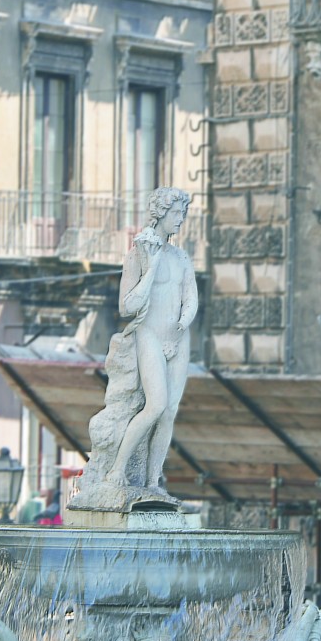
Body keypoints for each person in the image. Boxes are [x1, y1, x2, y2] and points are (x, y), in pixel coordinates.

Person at [105, 187, 198, 490]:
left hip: (179, 338)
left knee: (170, 411)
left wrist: (182, 324)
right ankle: (117, 469)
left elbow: (191, 299)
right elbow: (127, 306)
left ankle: (152, 480)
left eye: (183, 214)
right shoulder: (138, 254)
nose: (181, 220)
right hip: (149, 334)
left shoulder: (183, 258)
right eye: (176, 214)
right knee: (155, 405)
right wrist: (152, 265)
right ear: (161, 214)